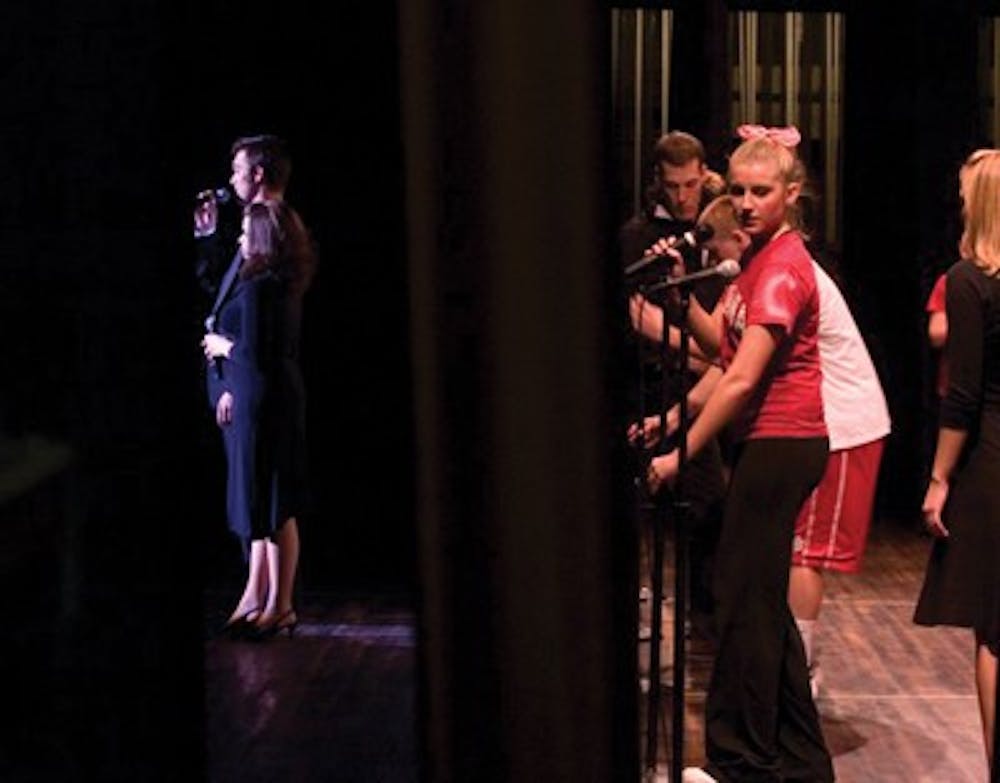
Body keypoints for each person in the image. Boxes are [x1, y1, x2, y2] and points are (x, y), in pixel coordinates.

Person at [647, 124, 834, 783]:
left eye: (762, 191)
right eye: (743, 190)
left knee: (741, 597)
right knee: (755, 599)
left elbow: (745, 377)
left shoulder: (783, 266)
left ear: (792, 192)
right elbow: (718, 349)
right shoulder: (754, 261)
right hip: (771, 439)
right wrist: (676, 290)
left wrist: (680, 451)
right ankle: (804, 761)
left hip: (785, 438)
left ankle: (742, 761)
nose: (747, 202)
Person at [199, 135, 317, 639]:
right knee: (258, 496)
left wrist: (226, 356)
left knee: (272, 496)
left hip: (262, 387)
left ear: (261, 175)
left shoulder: (274, 238)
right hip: (248, 386)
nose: (231, 180)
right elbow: (221, 299)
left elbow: (261, 336)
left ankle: (276, 602)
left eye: (238, 170)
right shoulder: (259, 244)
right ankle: (258, 595)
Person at [621, 131, 727, 640]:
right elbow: (633, 320)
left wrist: (671, 337)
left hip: (711, 388)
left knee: (709, 502)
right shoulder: (639, 239)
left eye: (691, 185)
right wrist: (699, 353)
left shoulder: (719, 233)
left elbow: (724, 347)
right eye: (673, 186)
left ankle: (703, 614)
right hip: (654, 387)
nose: (683, 197)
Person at [914, 148, 1000, 773]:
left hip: (992, 461)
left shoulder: (969, 280)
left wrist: (940, 477)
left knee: (995, 631)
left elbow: (963, 395)